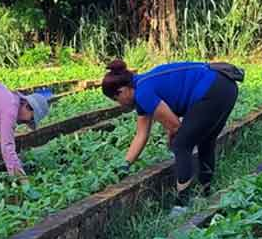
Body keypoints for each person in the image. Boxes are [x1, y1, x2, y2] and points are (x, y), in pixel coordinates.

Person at [101, 60, 238, 207]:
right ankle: (205, 192)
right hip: (226, 86)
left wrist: (173, 136)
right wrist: (125, 165)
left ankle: (182, 204)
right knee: (206, 140)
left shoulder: (143, 93)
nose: (120, 104)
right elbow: (141, 135)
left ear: (123, 90)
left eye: (116, 99)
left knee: (181, 145)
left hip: (211, 89)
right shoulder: (142, 87)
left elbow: (175, 126)